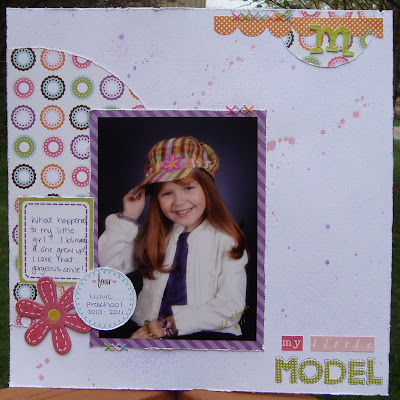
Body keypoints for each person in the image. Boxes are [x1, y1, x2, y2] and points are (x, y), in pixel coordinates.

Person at [98, 136, 248, 340]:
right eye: (167, 193)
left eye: (188, 188)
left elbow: (231, 308)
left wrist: (166, 325)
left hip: (207, 338)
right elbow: (110, 266)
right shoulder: (155, 237)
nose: (179, 202)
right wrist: (129, 216)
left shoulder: (226, 242)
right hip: (146, 335)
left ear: (207, 189)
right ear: (156, 199)